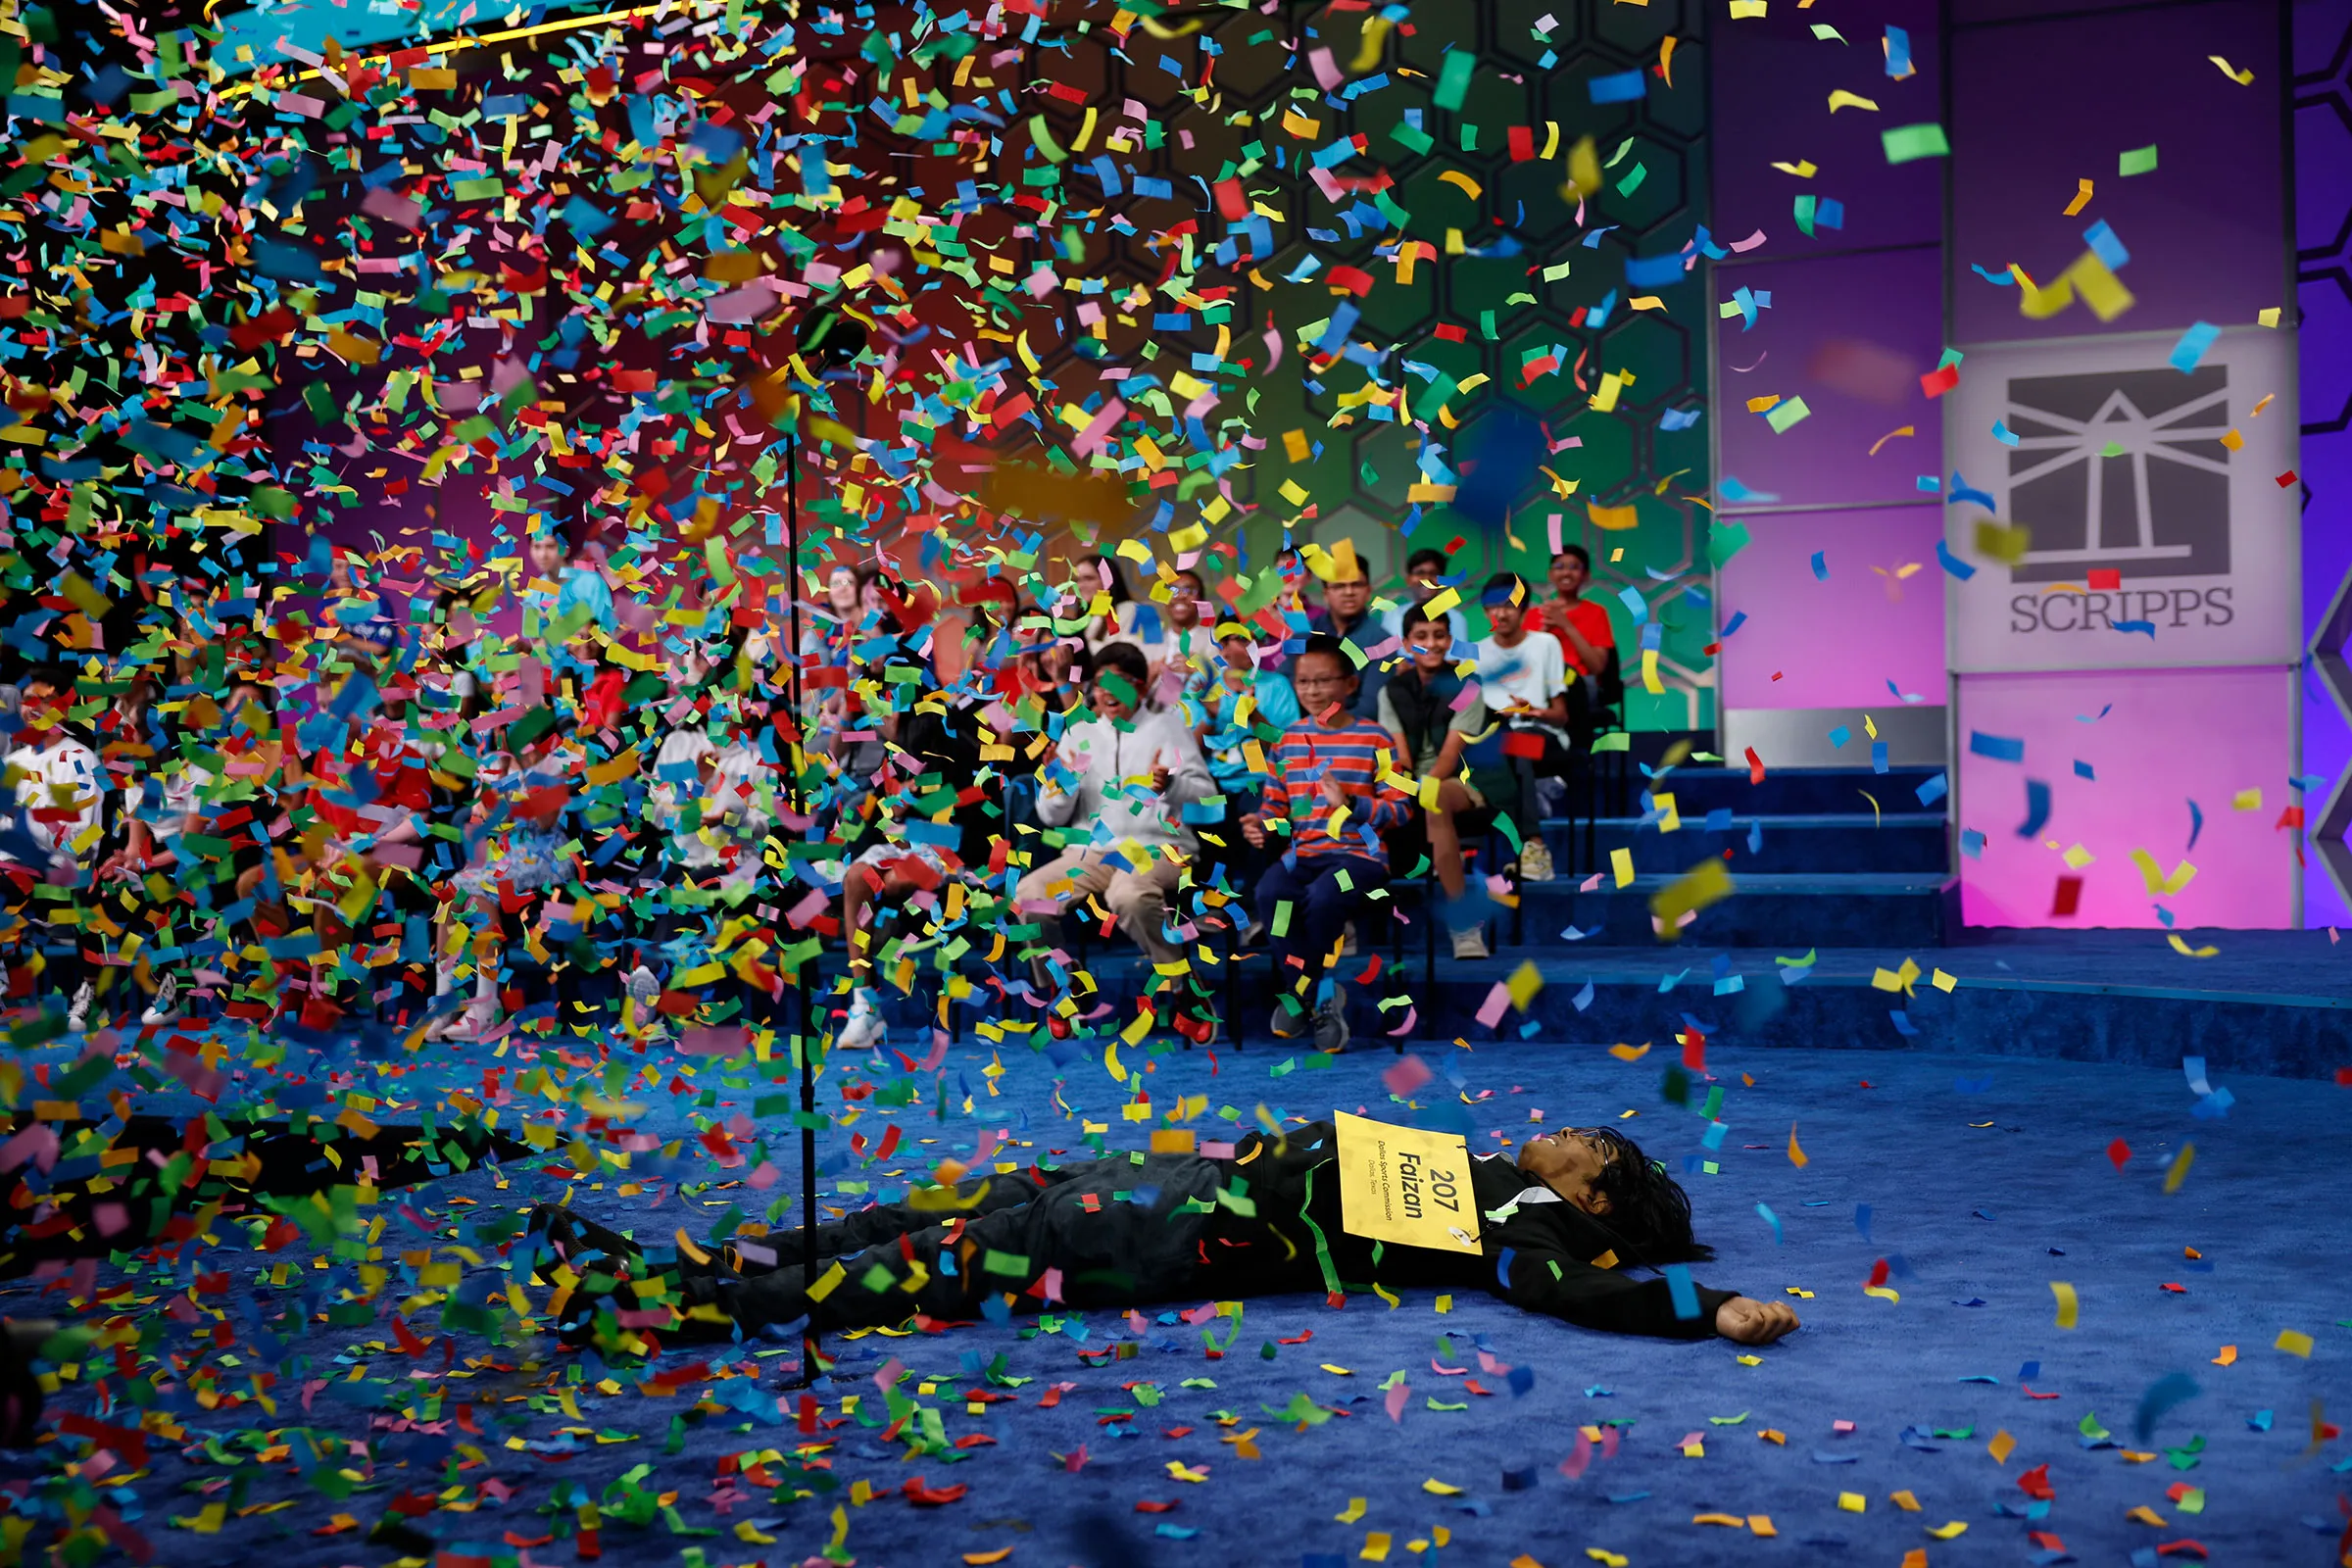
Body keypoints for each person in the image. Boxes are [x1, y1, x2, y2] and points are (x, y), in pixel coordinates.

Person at [526, 1120, 1801, 1352]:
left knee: (921, 1266)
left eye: (1599, 1153)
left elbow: (1563, 1299)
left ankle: (644, 1312)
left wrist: (1705, 1307)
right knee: (902, 1221)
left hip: (1169, 1232)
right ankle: (675, 1269)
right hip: (1168, 1181)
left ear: (1595, 1202)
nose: (1574, 1138)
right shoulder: (1482, 1170)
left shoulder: (1529, 1223)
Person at [1017, 642, 1214, 1041]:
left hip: (1160, 847)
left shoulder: (1168, 726)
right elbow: (1050, 816)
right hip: (1090, 851)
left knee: (1127, 895)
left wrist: (1171, 784)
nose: (1108, 693)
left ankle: (1181, 985)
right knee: (1029, 893)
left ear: (1141, 688)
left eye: (1121, 683)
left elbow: (1206, 795)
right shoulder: (1079, 732)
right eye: (1101, 683)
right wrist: (1059, 785)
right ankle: (1066, 986)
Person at [1240, 636, 1410, 1052]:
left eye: (1323, 681)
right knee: (1270, 891)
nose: (1312, 691)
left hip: (1361, 857)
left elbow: (1403, 810)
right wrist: (1262, 826)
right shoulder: (1288, 740)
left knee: (1323, 894)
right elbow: (1275, 808)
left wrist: (1351, 804)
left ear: (1350, 685)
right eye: (1303, 682)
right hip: (1305, 853)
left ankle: (1304, 994)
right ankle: (1320, 997)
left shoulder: (1376, 738)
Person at [1378, 606, 1509, 959]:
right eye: (1421, 637)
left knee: (1433, 797)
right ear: (1406, 643)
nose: (1431, 644)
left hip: (1460, 782)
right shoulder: (1390, 690)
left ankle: (1464, 927)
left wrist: (1416, 790)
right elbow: (1400, 757)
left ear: (1450, 640)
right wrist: (1399, 788)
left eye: (1439, 635)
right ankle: (1343, 922)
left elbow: (1450, 759)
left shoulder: (1468, 684)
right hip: (1411, 782)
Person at [2, 665, 105, 1029]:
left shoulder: (78, 759)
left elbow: (82, 833)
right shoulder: (13, 762)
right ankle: (77, 988)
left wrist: (25, 825)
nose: (34, 707)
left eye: (45, 700)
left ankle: (80, 989)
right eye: (29, 699)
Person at [1473, 573, 1574, 883]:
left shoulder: (1546, 644)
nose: (1500, 614)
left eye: (1509, 605)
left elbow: (1561, 715)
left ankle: (1536, 847)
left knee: (1516, 744)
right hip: (1498, 740)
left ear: (1524, 608)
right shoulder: (1474, 653)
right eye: (1493, 607)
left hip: (1544, 737)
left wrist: (1532, 710)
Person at [1305, 559, 1392, 716]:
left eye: (1357, 584)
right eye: (1339, 586)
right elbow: (1289, 684)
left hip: (1356, 732)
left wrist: (1328, 726)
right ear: (1326, 594)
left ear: (1368, 591)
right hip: (1304, 730)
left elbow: (1371, 705)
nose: (1349, 592)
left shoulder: (1384, 642)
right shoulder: (1306, 632)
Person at [1380, 546, 1468, 645]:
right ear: (1408, 580)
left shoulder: (1455, 618)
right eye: (1420, 573)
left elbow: (1456, 660)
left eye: (1433, 573)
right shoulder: (1392, 615)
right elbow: (1387, 657)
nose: (1427, 579)